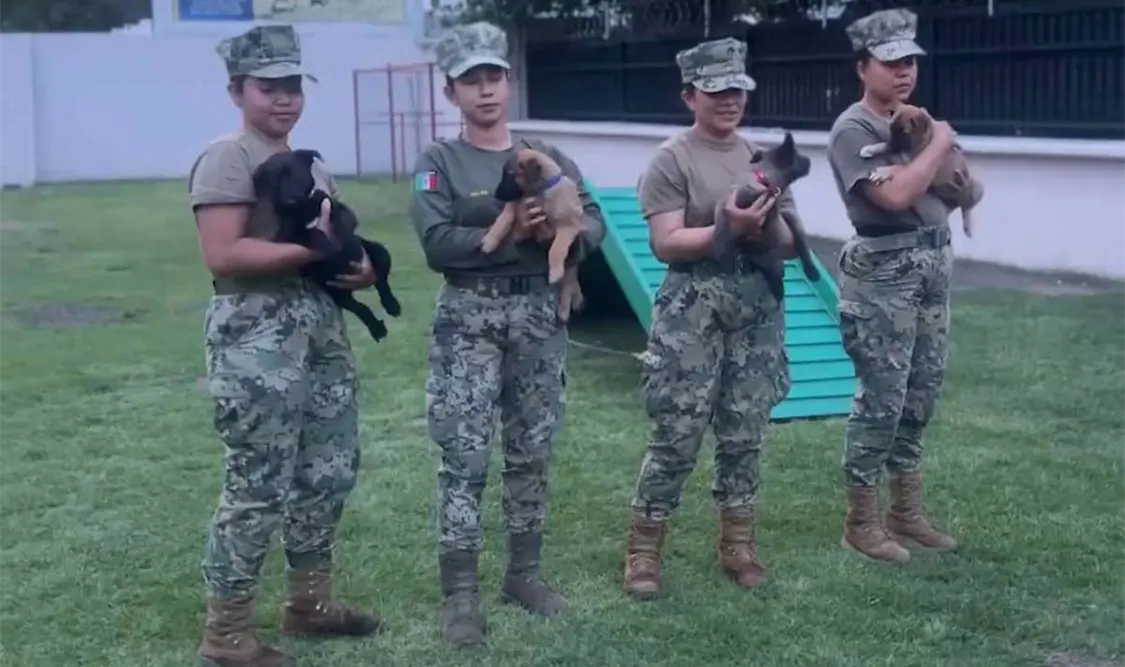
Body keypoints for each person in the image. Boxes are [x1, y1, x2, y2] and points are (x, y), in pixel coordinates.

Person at [188, 24, 382, 667]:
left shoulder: (313, 160)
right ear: (236, 91)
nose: (283, 100)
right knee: (257, 481)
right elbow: (225, 251)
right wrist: (312, 252)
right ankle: (227, 632)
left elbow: (333, 237)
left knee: (327, 472)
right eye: (268, 88)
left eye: (292, 86)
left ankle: (310, 605)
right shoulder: (229, 157)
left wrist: (361, 269)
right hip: (255, 331)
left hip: (317, 325)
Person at [409, 21, 607, 648]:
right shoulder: (439, 161)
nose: (486, 90)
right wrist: (509, 235)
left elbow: (595, 221)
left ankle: (524, 574)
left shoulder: (547, 155)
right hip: (469, 319)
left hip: (537, 319)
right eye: (472, 80)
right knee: (464, 458)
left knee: (532, 452)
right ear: (451, 92)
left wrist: (561, 232)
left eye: (494, 76)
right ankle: (461, 594)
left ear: (509, 81)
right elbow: (438, 245)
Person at [621, 37, 802, 601]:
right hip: (693, 306)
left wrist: (762, 227)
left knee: (745, 429)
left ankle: (739, 545)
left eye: (737, 90)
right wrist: (727, 228)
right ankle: (644, 551)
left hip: (756, 306)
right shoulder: (671, 159)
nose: (730, 100)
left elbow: (793, 241)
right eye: (716, 91)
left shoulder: (762, 157)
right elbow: (666, 242)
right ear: (689, 95)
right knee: (678, 428)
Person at [826, 8, 968, 564]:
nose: (904, 71)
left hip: (932, 264)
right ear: (864, 68)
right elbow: (892, 197)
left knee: (920, 394)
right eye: (891, 63)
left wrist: (944, 157)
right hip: (884, 272)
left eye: (910, 61)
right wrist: (941, 140)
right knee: (881, 398)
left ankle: (905, 513)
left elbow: (958, 189)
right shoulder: (853, 129)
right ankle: (861, 522)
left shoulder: (916, 124)